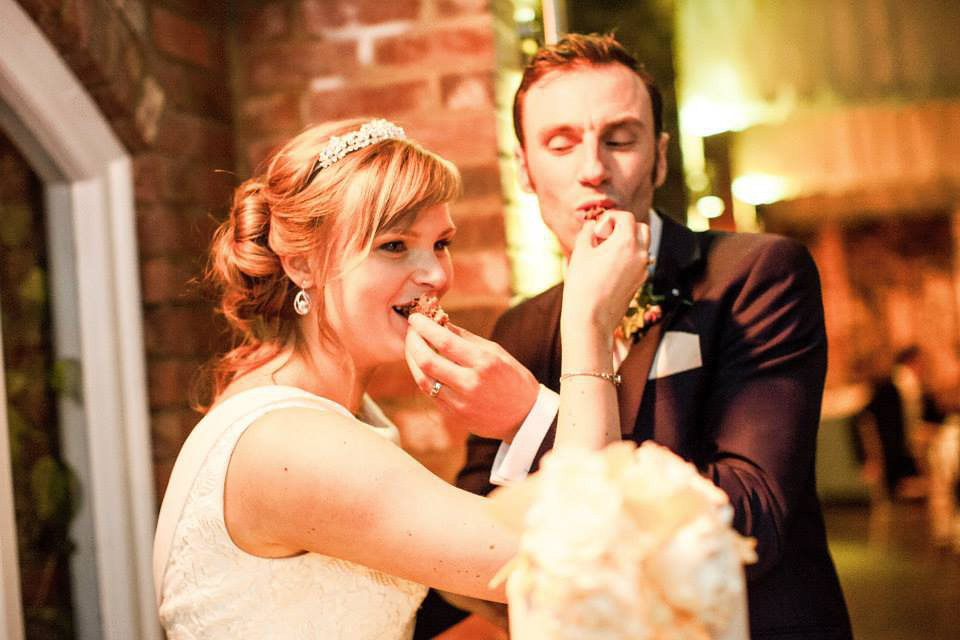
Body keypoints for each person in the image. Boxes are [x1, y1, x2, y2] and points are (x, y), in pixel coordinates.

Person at [410, 34, 852, 639]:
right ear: (526, 171)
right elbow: (478, 541)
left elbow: (751, 516)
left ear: (661, 157)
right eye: (560, 143)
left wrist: (534, 418)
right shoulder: (522, 328)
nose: (593, 169)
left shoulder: (758, 274)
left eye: (620, 139)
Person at [152, 117, 650, 639]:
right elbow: (574, 560)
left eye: (441, 243)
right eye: (394, 245)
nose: (436, 275)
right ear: (302, 264)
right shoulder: (288, 443)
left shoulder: (335, 413)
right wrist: (588, 321)